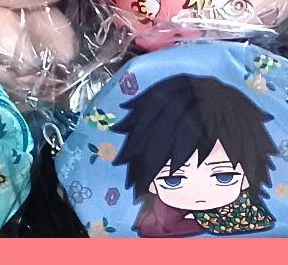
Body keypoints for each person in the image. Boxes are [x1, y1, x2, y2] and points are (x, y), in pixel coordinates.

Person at [112, 75, 278, 237]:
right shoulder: (156, 219)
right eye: (173, 180)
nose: (201, 195)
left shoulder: (248, 211)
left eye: (224, 177)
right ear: (151, 184)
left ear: (246, 178)